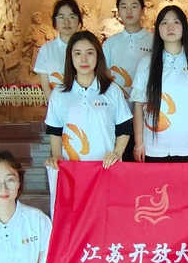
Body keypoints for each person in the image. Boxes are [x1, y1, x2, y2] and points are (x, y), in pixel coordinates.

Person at [130, 5, 188, 163]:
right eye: (164, 22)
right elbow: (139, 106)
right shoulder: (147, 63)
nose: (170, 27)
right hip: (154, 148)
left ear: (184, 28)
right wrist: (138, 144)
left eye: (176, 22)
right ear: (158, 29)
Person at [44, 30, 133, 170]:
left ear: (98, 56)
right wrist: (57, 156)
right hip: (72, 170)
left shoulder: (112, 90)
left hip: (106, 169)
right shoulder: (59, 93)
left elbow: (124, 128)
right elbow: (55, 130)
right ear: (70, 57)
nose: (84, 59)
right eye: (78, 53)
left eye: (90, 53)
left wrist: (117, 152)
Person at [102, 0, 154, 161]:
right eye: (124, 7)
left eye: (134, 6)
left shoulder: (154, 41)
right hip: (118, 116)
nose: (129, 11)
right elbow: (103, 78)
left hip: (148, 115)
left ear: (142, 10)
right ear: (118, 12)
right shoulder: (110, 43)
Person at [33, 0, 83, 101]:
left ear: (79, 20)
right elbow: (46, 86)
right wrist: (56, 107)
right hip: (58, 105)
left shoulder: (89, 47)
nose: (66, 22)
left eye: (72, 17)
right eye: (61, 17)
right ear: (55, 22)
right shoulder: (46, 50)